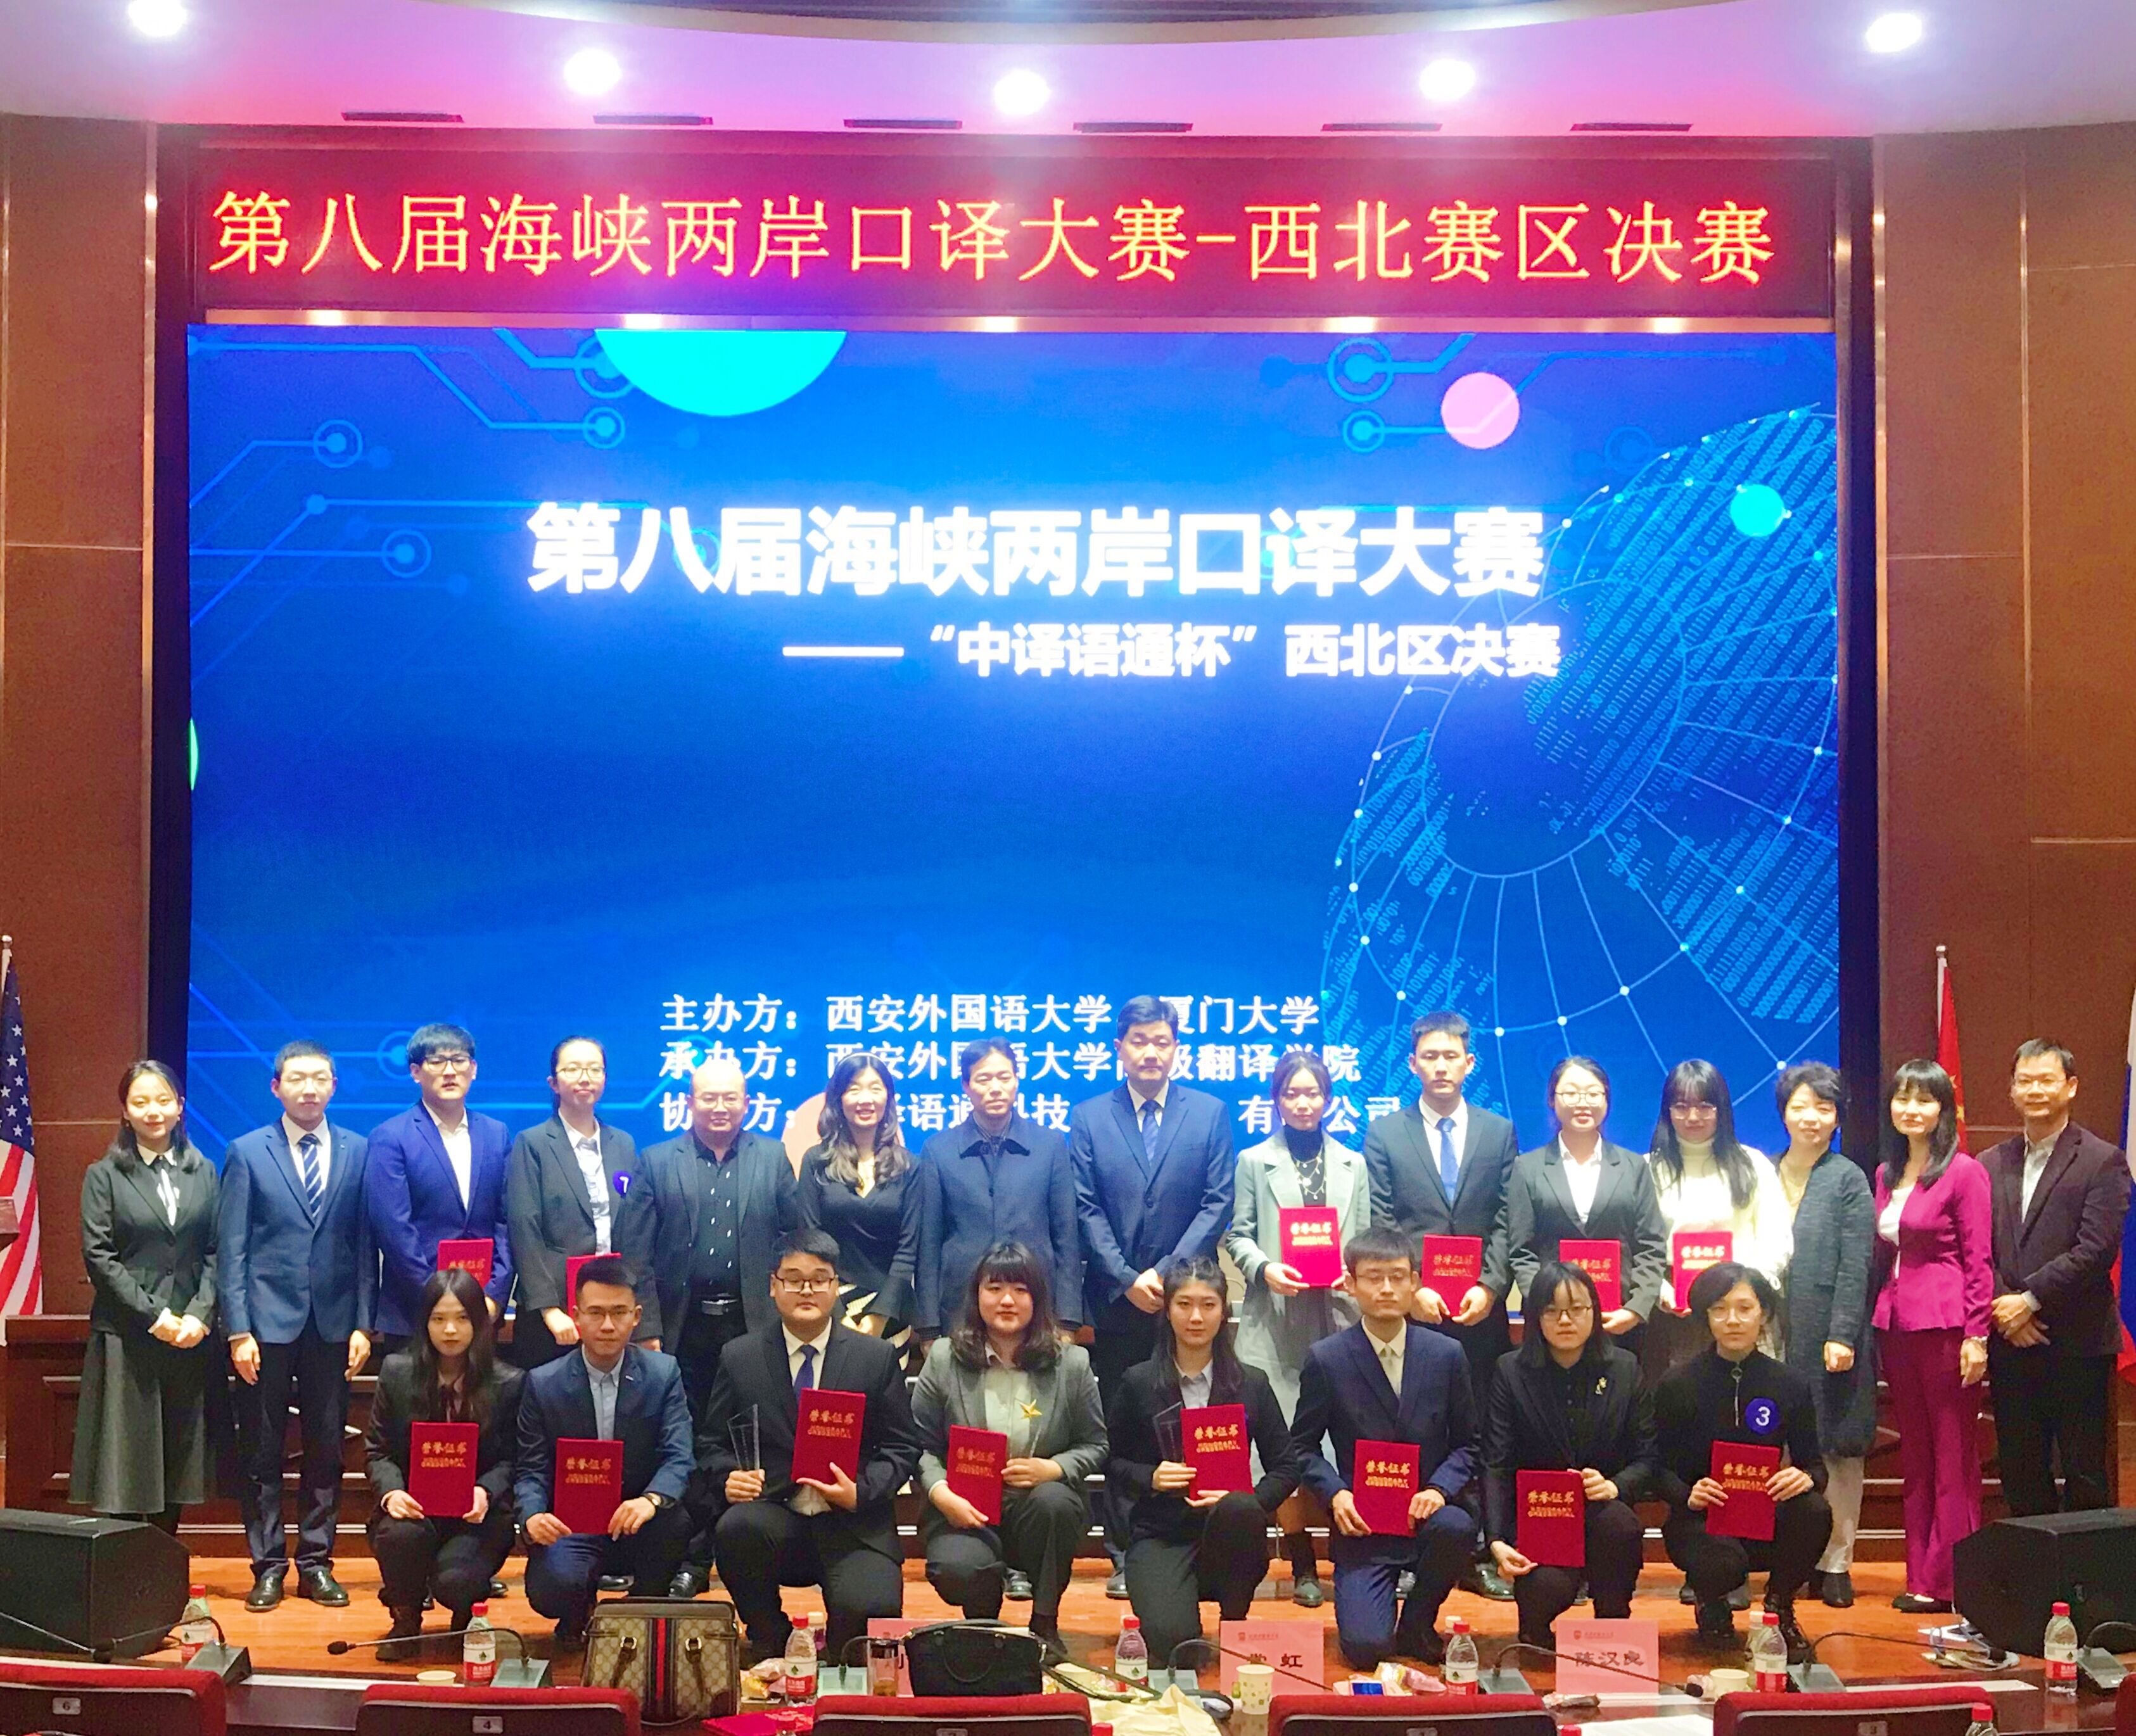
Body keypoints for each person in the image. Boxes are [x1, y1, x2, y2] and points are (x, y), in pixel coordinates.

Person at [1070, 995, 1235, 1595]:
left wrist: (1165, 1276)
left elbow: (1218, 1201)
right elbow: (1084, 1205)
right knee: (1125, 1423)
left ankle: (1196, 1537)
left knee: (1192, 1414)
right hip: (1116, 1302)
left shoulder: (1210, 1113)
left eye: (1161, 1041)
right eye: (1139, 1041)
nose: (1150, 1052)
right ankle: (1123, 1550)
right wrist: (1125, 1276)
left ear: (1176, 1048)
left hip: (1187, 1299)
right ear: (1119, 1047)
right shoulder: (1089, 1116)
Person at [697, 1230, 920, 1661]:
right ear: (773, 1285)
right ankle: (771, 1635)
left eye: (819, 1279)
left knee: (865, 1624)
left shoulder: (874, 1357)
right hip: (776, 1515)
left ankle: (839, 1647)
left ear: (836, 1287)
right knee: (735, 1529)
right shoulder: (740, 1357)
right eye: (794, 1279)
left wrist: (861, 1491)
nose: (806, 1290)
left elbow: (902, 1446)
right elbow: (711, 1443)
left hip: (853, 1522)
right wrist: (729, 1477)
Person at [1361, 1010, 1522, 1600]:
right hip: (1416, 1311)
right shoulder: (1386, 1133)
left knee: (1479, 1429)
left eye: (1451, 1056)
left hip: (1481, 1312)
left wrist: (1492, 1284)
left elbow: (1506, 1218)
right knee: (1416, 1425)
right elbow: (1383, 1219)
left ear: (1469, 1062)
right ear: (1413, 1063)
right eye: (1430, 1056)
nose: (1441, 1066)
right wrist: (1414, 1287)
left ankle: (1476, 1550)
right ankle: (1413, 1547)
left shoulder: (1498, 1132)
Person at [218, 1039, 374, 1611]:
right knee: (261, 1452)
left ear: (333, 1085)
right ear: (276, 1086)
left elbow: (366, 1245)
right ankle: (267, 1566)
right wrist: (238, 1329)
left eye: (319, 1078)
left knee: (326, 1448)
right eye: (297, 1078)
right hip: (264, 1326)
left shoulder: (359, 1150)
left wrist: (364, 1323)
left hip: (333, 1324)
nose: (309, 1088)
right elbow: (232, 1248)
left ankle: (316, 1562)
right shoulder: (246, 1151)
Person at [638, 1056, 799, 1595]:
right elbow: (637, 1251)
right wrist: (648, 1325)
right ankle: (690, 1556)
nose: (721, 1106)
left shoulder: (772, 1158)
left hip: (752, 1327)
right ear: (690, 1102)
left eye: (731, 1097)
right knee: (683, 1438)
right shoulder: (658, 1160)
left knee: (739, 1438)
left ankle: (729, 1548)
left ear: (747, 1103)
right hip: (680, 1329)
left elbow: (795, 1238)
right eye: (709, 1096)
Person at [1288, 1226, 1478, 1668]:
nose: (1388, 1288)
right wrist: (1336, 1493)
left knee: (1458, 1525)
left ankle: (1417, 1622)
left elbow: (1470, 1443)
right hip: (1363, 1525)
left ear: (1415, 1282)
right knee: (1366, 1650)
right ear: (1350, 1284)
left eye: (1398, 1276)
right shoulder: (1327, 1358)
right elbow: (1302, 1447)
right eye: (1374, 1277)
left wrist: (1439, 1489)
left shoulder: (1447, 1354)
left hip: (1426, 1516)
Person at [914, 1241, 1105, 1656]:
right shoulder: (944, 1358)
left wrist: (1053, 1468)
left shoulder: (1071, 1363)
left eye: (1020, 1289)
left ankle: (1045, 1622)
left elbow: (1095, 1443)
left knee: (1056, 1502)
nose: (1007, 1300)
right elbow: (920, 1444)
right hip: (965, 1507)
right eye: (995, 1287)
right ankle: (983, 1625)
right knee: (957, 1568)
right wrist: (941, 1493)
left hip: (1036, 1507)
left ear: (1037, 1299)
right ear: (976, 1295)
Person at [1224, 1048, 1366, 1607]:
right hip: (1277, 1319)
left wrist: (1356, 1273)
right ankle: (1301, 1558)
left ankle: (1351, 1554)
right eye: (1292, 1093)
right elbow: (1238, 1234)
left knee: (1339, 1437)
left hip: (1339, 1318)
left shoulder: (1354, 1162)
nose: (1303, 1103)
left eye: (1313, 1093)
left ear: (1328, 1099)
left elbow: (1365, 1236)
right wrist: (1264, 1267)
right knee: (1282, 1443)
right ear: (1276, 1099)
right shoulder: (1254, 1160)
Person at [1109, 1255, 1300, 1663]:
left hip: (1229, 1534)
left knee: (1240, 1510)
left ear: (1223, 1311)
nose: (1196, 1317)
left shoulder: (1251, 1383)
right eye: (1184, 1304)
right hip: (1161, 1534)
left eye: (1208, 1305)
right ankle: (1176, 1604)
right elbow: (1112, 1461)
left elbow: (1287, 1466)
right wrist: (1151, 1477)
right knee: (1176, 1648)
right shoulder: (1138, 1382)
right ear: (1167, 1310)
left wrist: (1248, 1500)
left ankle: (1235, 1621)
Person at [514, 1253, 695, 1644]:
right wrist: (532, 1515)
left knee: (675, 1519)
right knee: (551, 1589)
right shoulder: (543, 1383)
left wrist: (650, 1500)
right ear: (576, 1316)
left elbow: (678, 1455)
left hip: (637, 1517)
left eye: (619, 1312)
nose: (608, 1325)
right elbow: (531, 1467)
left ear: (637, 1316)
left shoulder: (663, 1373)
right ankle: (578, 1611)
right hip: (572, 1522)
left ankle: (639, 1611)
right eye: (596, 1313)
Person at [1981, 1041, 2130, 1517]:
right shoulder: (1989, 1163)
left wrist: (2029, 1299)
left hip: (2077, 1344)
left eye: (2046, 1080)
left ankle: (2089, 1569)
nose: (2035, 1090)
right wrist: (2005, 1306)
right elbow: (1976, 1249)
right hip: (2011, 1342)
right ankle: (2031, 1566)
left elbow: (2096, 1250)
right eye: (2025, 1081)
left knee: (2086, 1474)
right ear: (2012, 1090)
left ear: (2071, 1087)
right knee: (2021, 1473)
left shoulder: (2102, 1160)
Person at [1654, 1263, 1830, 1663]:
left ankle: (1779, 1608)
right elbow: (1656, 1468)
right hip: (1700, 1521)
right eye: (1719, 1309)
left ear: (1763, 1313)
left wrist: (1804, 1478)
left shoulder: (1789, 1384)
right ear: (1706, 1317)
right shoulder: (1677, 1384)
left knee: (1814, 1511)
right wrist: (1687, 1493)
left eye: (1744, 1308)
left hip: (1763, 1515)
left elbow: (1816, 1466)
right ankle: (1711, 1601)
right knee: (1723, 1563)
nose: (1732, 1320)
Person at [72, 1061, 219, 1531]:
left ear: (180, 1107)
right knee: (124, 1467)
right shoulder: (104, 1175)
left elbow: (217, 1250)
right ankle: (122, 1568)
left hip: (188, 1339)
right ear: (125, 1111)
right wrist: (156, 1316)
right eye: (140, 1102)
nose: (153, 1111)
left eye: (163, 1100)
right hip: (128, 1335)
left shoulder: (204, 1171)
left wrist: (200, 1314)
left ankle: (163, 1565)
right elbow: (99, 1256)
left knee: (177, 1464)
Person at [1482, 1260, 1655, 1649]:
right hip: (1540, 1517)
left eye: (1577, 1309)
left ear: (1595, 1311)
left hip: (1600, 1510)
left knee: (1622, 1526)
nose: (1565, 1320)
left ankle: (1613, 1623)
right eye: (1551, 1310)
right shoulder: (1510, 1371)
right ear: (1535, 1317)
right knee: (1546, 1590)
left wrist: (1614, 1486)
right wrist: (1496, 1539)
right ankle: (1534, 1626)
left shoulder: (1625, 1368)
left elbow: (1648, 1456)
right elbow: (1496, 1461)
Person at [1872, 1058, 1992, 1614]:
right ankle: (1920, 1575)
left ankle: (1953, 1580)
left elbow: (1979, 1258)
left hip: (1947, 1324)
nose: (1911, 1109)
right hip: (1897, 1324)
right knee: (1916, 1456)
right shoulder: (1886, 1172)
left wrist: (1977, 1335)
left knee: (1952, 1456)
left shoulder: (1964, 1172)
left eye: (1924, 1099)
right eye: (1903, 1098)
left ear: (1943, 1108)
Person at [366, 1268, 526, 1659]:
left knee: (456, 1580)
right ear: (425, 1323)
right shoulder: (397, 1373)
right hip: (415, 1509)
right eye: (439, 1319)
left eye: (462, 1318)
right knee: (400, 1537)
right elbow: (377, 1450)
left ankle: (466, 1614)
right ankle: (405, 1619)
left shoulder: (508, 1382)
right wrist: (392, 1493)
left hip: (477, 1516)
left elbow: (513, 1458)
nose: (450, 1330)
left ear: (480, 1323)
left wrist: (486, 1492)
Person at [1767, 1063, 1876, 1609]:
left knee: (1837, 1448)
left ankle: (1835, 1560)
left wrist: (1843, 1333)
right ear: (1783, 1112)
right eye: (1800, 1106)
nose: (1811, 1117)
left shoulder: (1848, 1178)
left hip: (1831, 1332)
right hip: (1770, 1332)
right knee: (1777, 1446)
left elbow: (1857, 1263)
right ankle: (1784, 1557)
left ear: (1837, 1117)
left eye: (1824, 1107)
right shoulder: (1762, 1172)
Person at [916, 1039, 1081, 1340]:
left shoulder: (1050, 1146)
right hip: (961, 1308)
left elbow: (1066, 1239)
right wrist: (928, 1327)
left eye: (1004, 1077)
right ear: (966, 1086)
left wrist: (1068, 1320)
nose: (995, 1088)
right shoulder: (938, 1150)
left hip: (1035, 1306)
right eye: (983, 1079)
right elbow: (928, 1245)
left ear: (1017, 1081)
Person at [365, 1022, 514, 1350]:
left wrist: (493, 1295)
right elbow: (395, 1231)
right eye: (436, 1061)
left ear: (473, 1069)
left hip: (482, 1312)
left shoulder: (496, 1134)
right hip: (414, 1313)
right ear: (416, 1072)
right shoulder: (390, 1137)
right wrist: (439, 1302)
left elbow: (507, 1221)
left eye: (459, 1060)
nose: (449, 1071)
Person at [505, 1037, 651, 1370]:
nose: (585, 1078)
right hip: (555, 1313)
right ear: (553, 1083)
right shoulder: (533, 1144)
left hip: (611, 1308)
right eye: (572, 1069)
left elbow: (634, 1230)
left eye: (594, 1069)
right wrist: (548, 1310)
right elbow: (525, 1230)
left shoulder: (623, 1144)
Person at [1504, 1056, 1669, 1350]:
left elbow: (1651, 1246)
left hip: (1619, 1319)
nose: (1583, 1103)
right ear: (1552, 1100)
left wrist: (1636, 1308)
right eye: (1571, 1093)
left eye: (1593, 1094)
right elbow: (1521, 1252)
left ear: (1607, 1100)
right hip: (1551, 1324)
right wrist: (1545, 1306)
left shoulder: (1634, 1167)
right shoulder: (1527, 1169)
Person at [1644, 1060, 1792, 1381]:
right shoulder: (1648, 1169)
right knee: (1684, 1401)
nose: (1693, 1117)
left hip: (1744, 1307)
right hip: (1676, 1313)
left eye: (1705, 1106)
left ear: (1722, 1109)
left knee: (1755, 1400)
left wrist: (1744, 1289)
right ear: (1667, 1111)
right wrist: (1659, 1289)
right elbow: (1639, 1245)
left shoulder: (1753, 1164)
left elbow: (1776, 1238)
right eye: (1681, 1107)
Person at [797, 1052, 922, 1338]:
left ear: (888, 1098)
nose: (865, 1099)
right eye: (854, 1089)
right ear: (839, 1099)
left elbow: (909, 1248)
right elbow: (810, 1239)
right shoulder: (816, 1162)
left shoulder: (910, 1166)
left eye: (875, 1088)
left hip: (891, 1307)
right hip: (828, 1304)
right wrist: (838, 1314)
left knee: (887, 1369)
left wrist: (880, 1316)